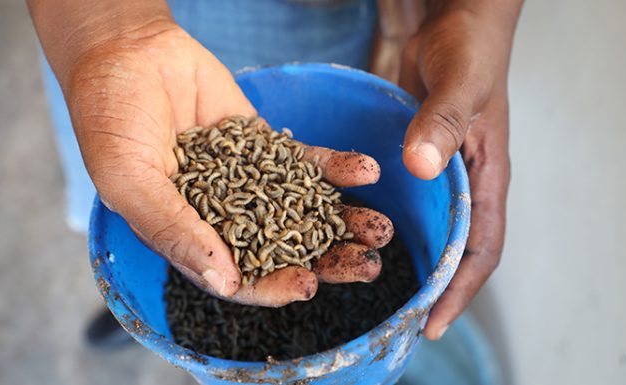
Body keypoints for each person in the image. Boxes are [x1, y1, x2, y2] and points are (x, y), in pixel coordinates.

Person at [28, 0, 521, 347]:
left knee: (166, 200)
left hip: (305, 8)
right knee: (135, 184)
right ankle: (132, 315)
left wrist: (479, 13)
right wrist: (109, 33)